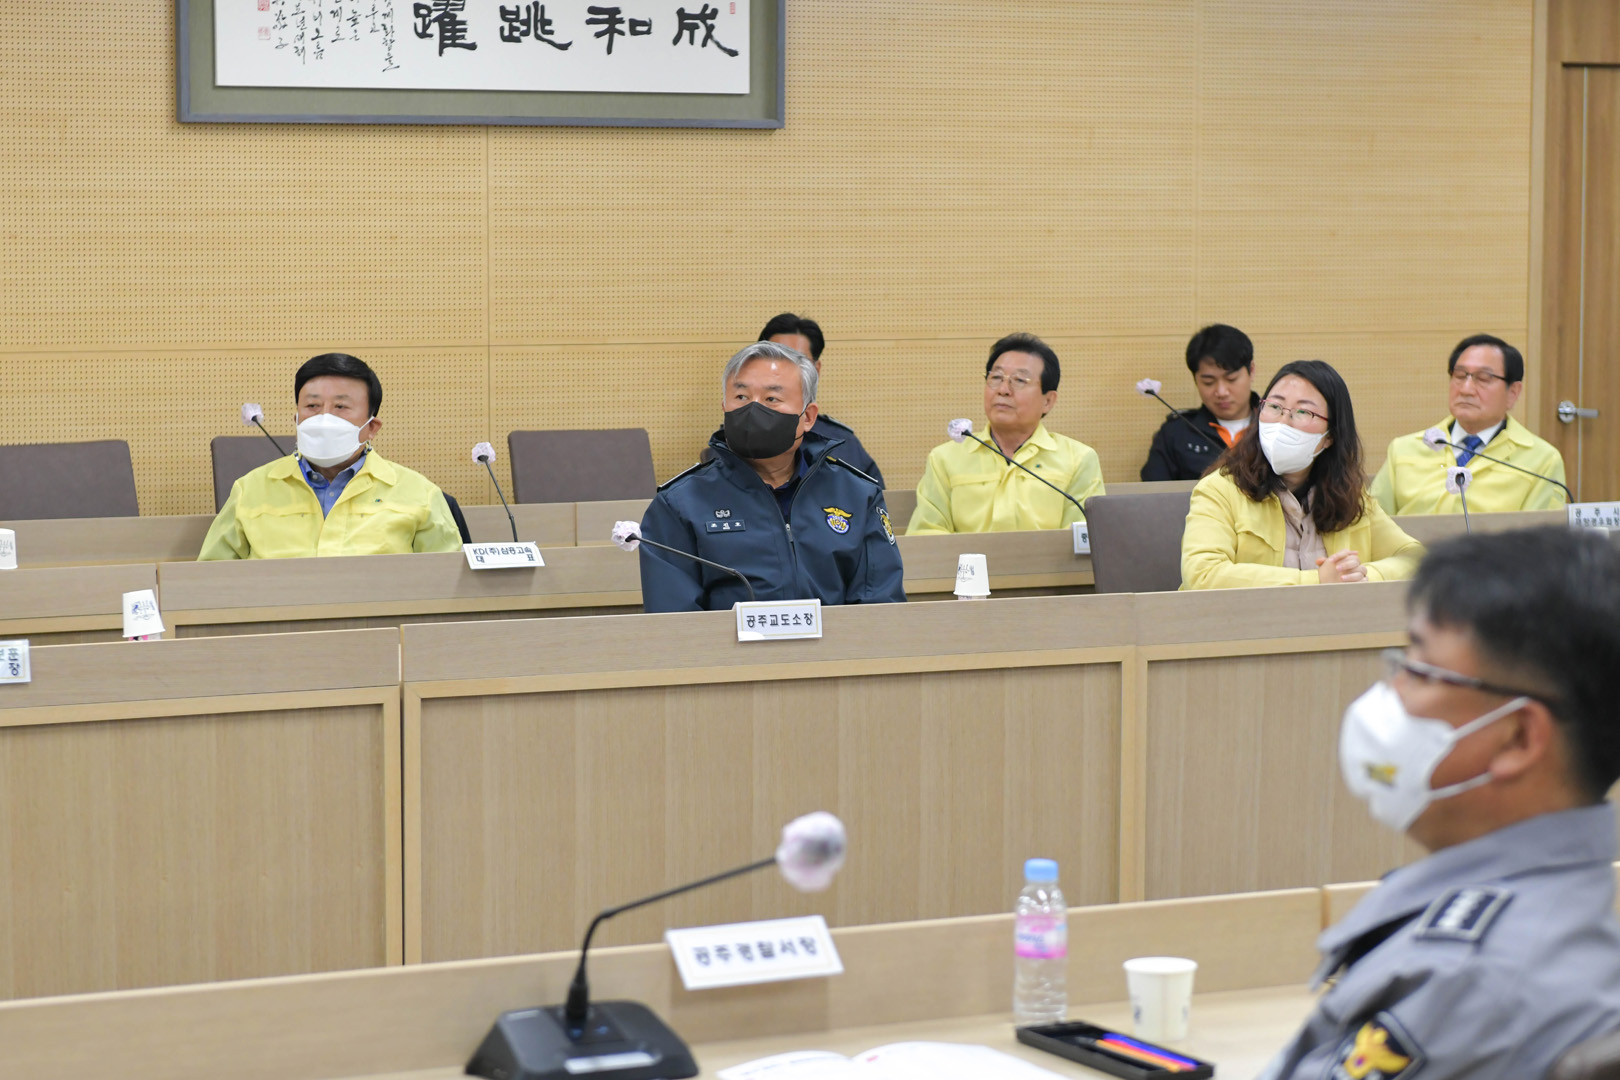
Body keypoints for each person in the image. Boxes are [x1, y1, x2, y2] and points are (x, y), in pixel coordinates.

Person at [1260, 527, 1620, 1079]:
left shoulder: (1470, 977)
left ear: (1519, 738)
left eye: (1420, 671)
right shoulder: (1563, 908)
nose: (1390, 693)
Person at [638, 341, 905, 612]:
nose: (753, 410)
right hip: (726, 642)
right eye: (741, 397)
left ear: (808, 417)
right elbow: (673, 621)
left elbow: (881, 608)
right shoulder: (680, 504)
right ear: (724, 407)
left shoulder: (857, 495)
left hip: (837, 641)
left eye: (771, 399)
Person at [1181, 359, 1422, 589]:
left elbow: (1413, 557)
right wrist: (1317, 581)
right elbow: (1202, 575)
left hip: (1332, 619)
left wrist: (1364, 576)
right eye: (1275, 407)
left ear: (1330, 436)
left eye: (1304, 412)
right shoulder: (1219, 489)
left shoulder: (1350, 494)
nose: (1283, 422)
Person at [199, 353, 461, 559]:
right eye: (312, 406)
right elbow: (210, 581)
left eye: (341, 406)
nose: (324, 418)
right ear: (297, 419)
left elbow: (448, 583)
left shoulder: (420, 494)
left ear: (371, 427)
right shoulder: (249, 490)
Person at [908, 333, 1105, 534]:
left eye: (1019, 380)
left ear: (1048, 401)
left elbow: (1085, 539)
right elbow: (926, 532)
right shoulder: (945, 458)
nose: (1003, 390)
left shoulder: (1077, 460)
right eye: (996, 377)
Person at [1371, 334, 1567, 514]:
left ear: (1513, 392)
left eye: (1483, 378)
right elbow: (1371, 524)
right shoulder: (1403, 450)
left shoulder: (1542, 461)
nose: (1466, 389)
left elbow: (1541, 536)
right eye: (1459, 376)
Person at [757, 313, 883, 485]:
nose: (784, 372)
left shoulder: (842, 444)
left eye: (798, 361)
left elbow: (875, 498)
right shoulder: (735, 440)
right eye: (776, 360)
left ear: (816, 370)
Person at [1140, 323, 1260, 481]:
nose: (1221, 392)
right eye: (1208, 382)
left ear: (1251, 371)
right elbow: (1154, 491)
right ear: (1196, 380)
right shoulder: (1176, 433)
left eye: (1231, 379)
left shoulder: (1275, 426)